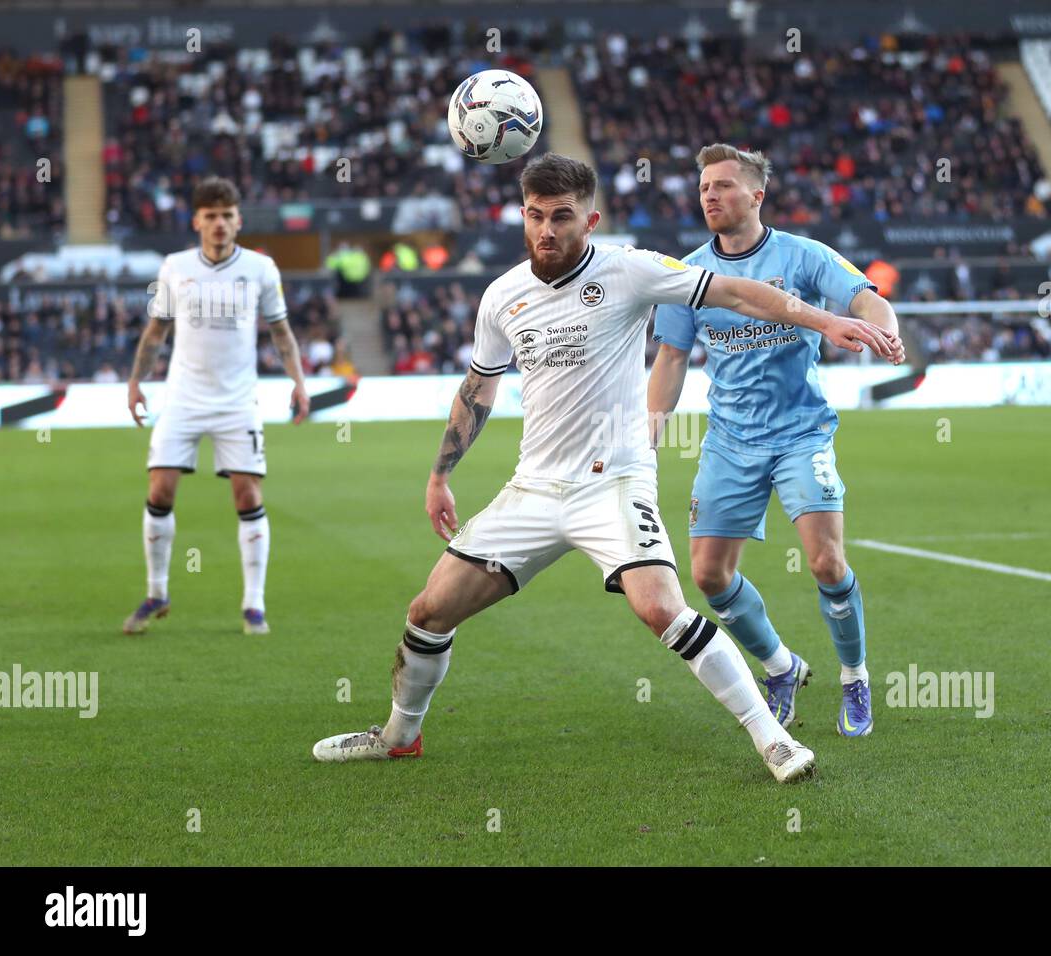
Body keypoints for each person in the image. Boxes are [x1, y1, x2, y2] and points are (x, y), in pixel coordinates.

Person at [312, 154, 901, 782]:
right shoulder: (501, 296)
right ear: (522, 216)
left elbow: (734, 290)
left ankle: (773, 739)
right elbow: (478, 389)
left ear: (589, 220)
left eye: (562, 217)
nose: (547, 230)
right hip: (532, 489)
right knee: (428, 611)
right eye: (535, 216)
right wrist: (439, 476)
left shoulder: (630, 269)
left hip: (613, 483)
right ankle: (399, 735)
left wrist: (827, 320)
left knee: (662, 609)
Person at [649, 144, 903, 739]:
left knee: (825, 560)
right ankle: (780, 667)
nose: (709, 196)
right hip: (730, 441)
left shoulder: (803, 255)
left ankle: (854, 676)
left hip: (800, 434)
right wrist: (649, 434)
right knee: (709, 577)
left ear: (757, 195)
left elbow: (867, 298)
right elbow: (671, 358)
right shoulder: (689, 274)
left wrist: (884, 333)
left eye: (723, 186)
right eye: (704, 186)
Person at [123, 177, 310, 636]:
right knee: (159, 490)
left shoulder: (262, 269)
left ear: (238, 220)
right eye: (210, 216)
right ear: (196, 222)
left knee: (247, 495)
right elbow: (156, 332)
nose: (220, 224)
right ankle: (157, 592)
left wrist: (298, 383)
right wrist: (134, 382)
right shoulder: (174, 266)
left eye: (227, 216)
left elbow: (281, 332)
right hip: (182, 398)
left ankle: (253, 605)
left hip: (237, 402)